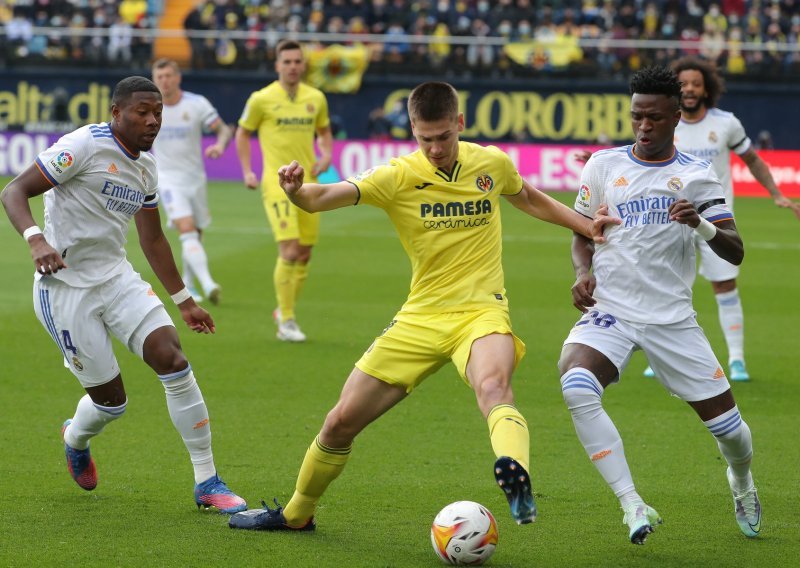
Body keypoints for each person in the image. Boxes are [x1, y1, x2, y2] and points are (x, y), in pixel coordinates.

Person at [228, 81, 613, 532]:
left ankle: (516, 477)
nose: (434, 148)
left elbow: (529, 198)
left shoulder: (490, 164)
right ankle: (296, 514)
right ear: (412, 129)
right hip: (420, 318)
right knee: (338, 424)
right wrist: (296, 192)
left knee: (493, 387)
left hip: (481, 313)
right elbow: (323, 198)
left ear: (459, 125)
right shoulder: (397, 176)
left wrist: (586, 226)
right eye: (425, 138)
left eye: (443, 137)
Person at [0, 76, 246, 514]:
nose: (152, 121)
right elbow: (13, 190)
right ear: (116, 113)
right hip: (65, 289)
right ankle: (75, 437)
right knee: (111, 404)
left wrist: (184, 300)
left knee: (174, 359)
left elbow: (152, 240)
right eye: (142, 112)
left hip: (116, 279)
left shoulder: (147, 167)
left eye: (158, 113)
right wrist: (37, 240)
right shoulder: (81, 146)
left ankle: (207, 481)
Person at [558, 66, 760, 545]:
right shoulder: (603, 166)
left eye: (653, 117)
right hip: (613, 310)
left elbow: (735, 249)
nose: (644, 126)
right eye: (636, 117)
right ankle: (632, 503)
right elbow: (581, 234)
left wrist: (702, 225)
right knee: (576, 384)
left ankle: (742, 481)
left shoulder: (694, 174)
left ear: (675, 116)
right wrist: (582, 273)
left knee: (731, 434)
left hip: (671, 320)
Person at [662, 55, 800, 381]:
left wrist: (776, 193)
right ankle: (661, 357)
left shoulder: (726, 123)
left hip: (715, 220)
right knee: (666, 286)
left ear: (707, 88)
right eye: (683, 84)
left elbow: (752, 160)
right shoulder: (667, 121)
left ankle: (736, 359)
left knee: (724, 286)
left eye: (696, 83)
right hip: (670, 218)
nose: (690, 89)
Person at [235, 39, 333, 342]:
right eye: (287, 61)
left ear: (303, 65)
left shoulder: (315, 97)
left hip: (308, 184)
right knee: (290, 249)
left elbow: (325, 132)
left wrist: (327, 153)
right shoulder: (261, 99)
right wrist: (248, 170)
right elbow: (243, 133)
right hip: (277, 183)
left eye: (297, 61)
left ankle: (284, 309)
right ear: (277, 65)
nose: (292, 66)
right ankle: (287, 320)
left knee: (304, 255)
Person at [151, 58, 233, 304]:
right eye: (159, 77)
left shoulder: (196, 104)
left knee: (196, 232)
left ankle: (188, 283)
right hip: (166, 179)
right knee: (186, 229)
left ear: (178, 78)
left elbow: (224, 129)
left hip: (195, 179)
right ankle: (208, 284)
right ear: (154, 80)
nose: (164, 81)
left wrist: (219, 145)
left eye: (168, 75)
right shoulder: (150, 107)